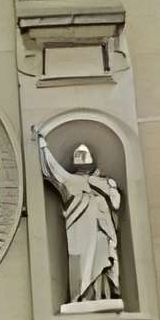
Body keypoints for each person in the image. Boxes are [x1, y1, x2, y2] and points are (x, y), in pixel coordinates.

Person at [36, 131, 123, 305]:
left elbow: (116, 204)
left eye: (84, 155)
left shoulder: (104, 182)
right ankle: (83, 297)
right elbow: (53, 169)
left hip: (102, 231)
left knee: (104, 257)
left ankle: (103, 295)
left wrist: (111, 188)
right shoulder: (69, 180)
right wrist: (42, 146)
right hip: (80, 233)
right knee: (83, 264)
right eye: (79, 155)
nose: (82, 158)